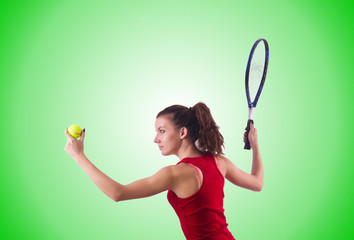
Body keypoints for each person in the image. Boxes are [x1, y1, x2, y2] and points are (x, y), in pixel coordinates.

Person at [64, 102, 263, 240]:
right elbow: (257, 183)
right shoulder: (220, 162)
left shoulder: (176, 174)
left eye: (162, 131)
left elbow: (118, 193)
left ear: (182, 132)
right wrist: (255, 146)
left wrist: (79, 157)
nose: (155, 139)